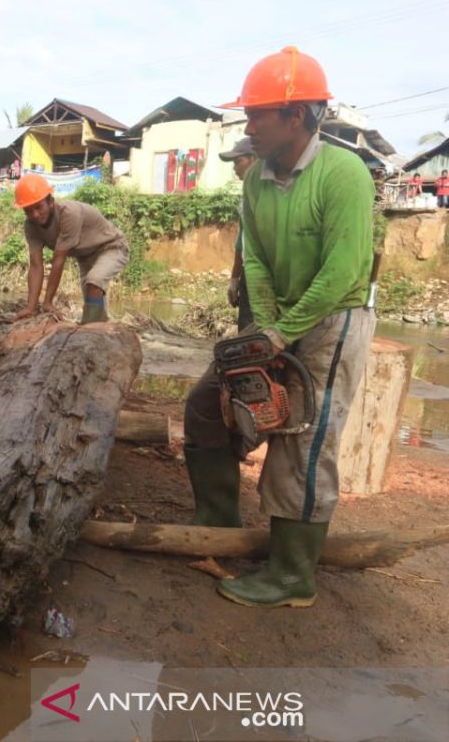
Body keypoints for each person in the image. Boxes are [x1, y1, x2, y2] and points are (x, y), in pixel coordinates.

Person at [183, 46, 376, 608]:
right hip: (283, 318)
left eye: (258, 114)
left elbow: (343, 273)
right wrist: (263, 328)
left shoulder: (343, 174)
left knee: (301, 440)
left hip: (333, 319)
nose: (249, 126)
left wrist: (283, 332)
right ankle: (217, 521)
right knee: (207, 403)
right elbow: (259, 260)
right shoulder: (257, 180)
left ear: (297, 116)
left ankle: (293, 575)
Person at [12, 173, 129, 324]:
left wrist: (47, 302)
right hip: (85, 257)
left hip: (112, 247)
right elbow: (36, 266)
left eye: (39, 207)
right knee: (93, 306)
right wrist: (30, 307)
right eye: (28, 210)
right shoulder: (30, 226)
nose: (35, 214)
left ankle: (90, 334)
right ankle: (99, 327)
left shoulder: (69, 214)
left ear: (51, 202)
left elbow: (58, 260)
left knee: (94, 282)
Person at [218, 136, 257, 330]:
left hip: (268, 279)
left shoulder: (272, 194)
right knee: (248, 338)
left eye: (237, 161)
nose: (234, 168)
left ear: (254, 159)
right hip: (250, 277)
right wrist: (235, 280)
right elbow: (242, 243)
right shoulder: (245, 197)